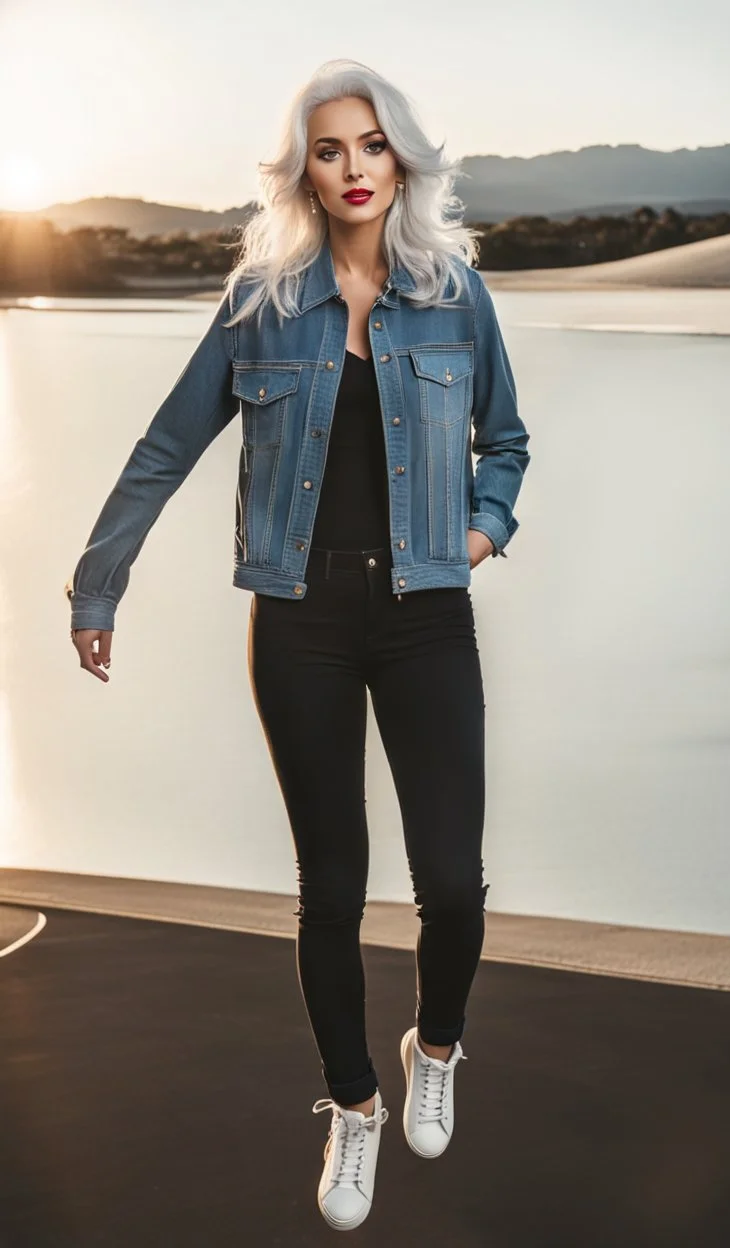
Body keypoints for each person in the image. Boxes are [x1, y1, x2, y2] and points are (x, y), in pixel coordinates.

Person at [66, 58, 530, 1233]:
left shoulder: (453, 294)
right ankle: (354, 1104)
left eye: (371, 146)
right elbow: (166, 446)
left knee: (453, 889)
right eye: (330, 150)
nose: (354, 168)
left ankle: (439, 1043)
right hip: (302, 624)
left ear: (402, 158)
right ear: (305, 172)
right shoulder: (261, 305)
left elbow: (508, 442)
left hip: (427, 617)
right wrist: (99, 584)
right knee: (330, 891)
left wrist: (480, 531)